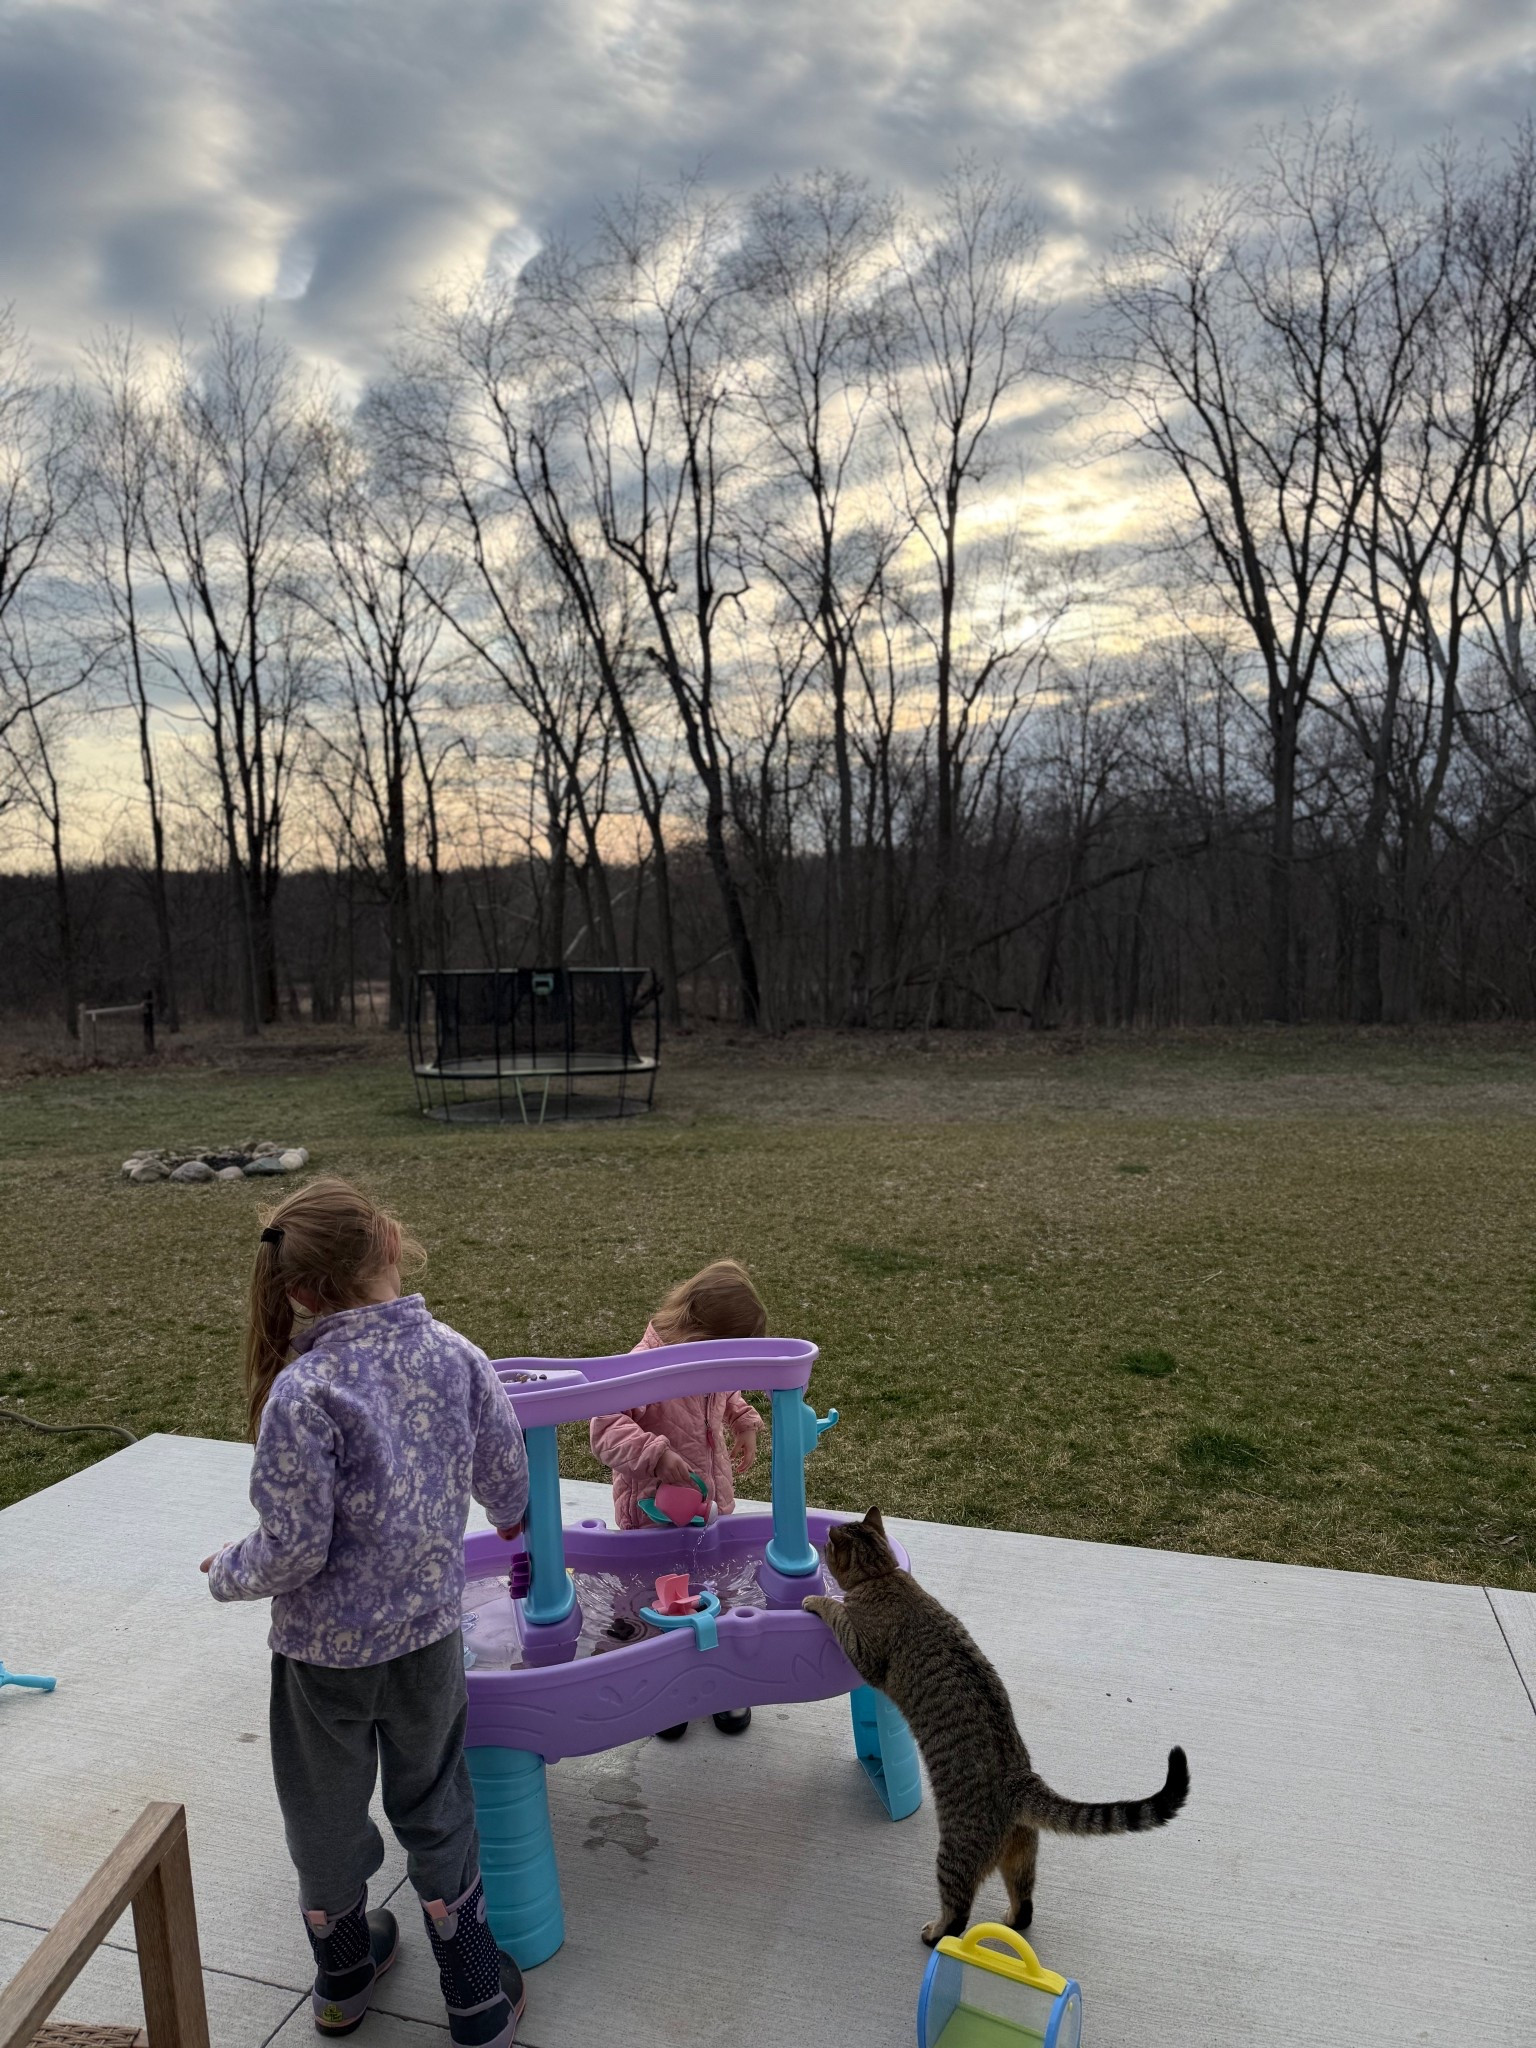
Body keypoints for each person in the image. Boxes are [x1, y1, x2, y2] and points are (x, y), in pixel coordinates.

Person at [201, 1177, 529, 2046]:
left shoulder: (301, 1394)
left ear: (297, 1291)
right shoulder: (458, 1355)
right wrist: (507, 1518)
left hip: (322, 1664)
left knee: (323, 1813)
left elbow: (293, 1548)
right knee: (436, 1801)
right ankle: (473, 1996)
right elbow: (509, 1477)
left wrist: (228, 1572)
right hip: (426, 1642)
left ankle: (344, 1975)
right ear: (390, 1243)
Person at [589, 1258, 767, 1741]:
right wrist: (654, 1452)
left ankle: (722, 1685)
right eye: (723, 1353)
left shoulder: (704, 1360)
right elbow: (604, 1427)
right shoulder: (642, 1365)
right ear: (695, 1331)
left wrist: (745, 1421)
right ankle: (665, 1690)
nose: (724, 1366)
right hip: (654, 1513)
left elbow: (723, 1393)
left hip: (706, 1509)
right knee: (658, 1602)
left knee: (715, 1593)